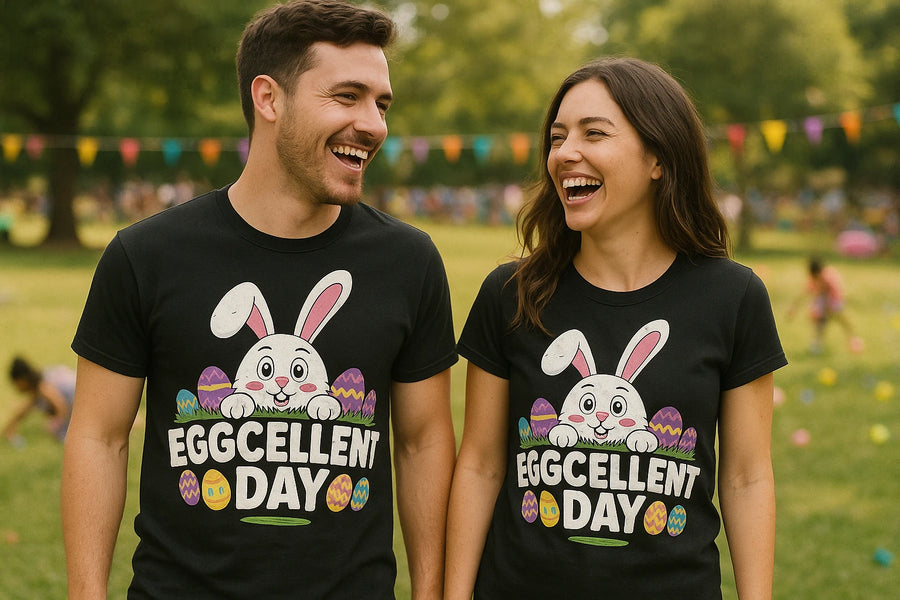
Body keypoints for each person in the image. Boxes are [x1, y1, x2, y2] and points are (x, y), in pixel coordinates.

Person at [62, 2, 457, 598]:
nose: (374, 124)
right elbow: (98, 436)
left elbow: (423, 440)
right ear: (268, 99)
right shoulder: (147, 255)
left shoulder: (409, 262)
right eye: (347, 96)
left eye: (381, 103)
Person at [446, 57, 786, 599]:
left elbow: (747, 477)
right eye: (557, 137)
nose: (565, 153)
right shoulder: (511, 294)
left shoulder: (733, 297)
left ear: (657, 156)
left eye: (594, 133)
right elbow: (482, 465)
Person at [786, 256, 863, 354]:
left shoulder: (827, 277)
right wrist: (794, 308)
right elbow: (805, 293)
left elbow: (829, 293)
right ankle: (818, 343)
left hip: (834, 299)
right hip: (822, 299)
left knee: (840, 319)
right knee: (820, 322)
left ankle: (852, 338)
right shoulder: (814, 278)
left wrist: (827, 309)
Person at [3, 356, 74, 442]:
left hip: (79, 403)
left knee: (62, 435)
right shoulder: (38, 387)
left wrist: (54, 425)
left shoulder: (43, 387)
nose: (16, 388)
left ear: (22, 379)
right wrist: (9, 427)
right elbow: (24, 410)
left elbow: (62, 408)